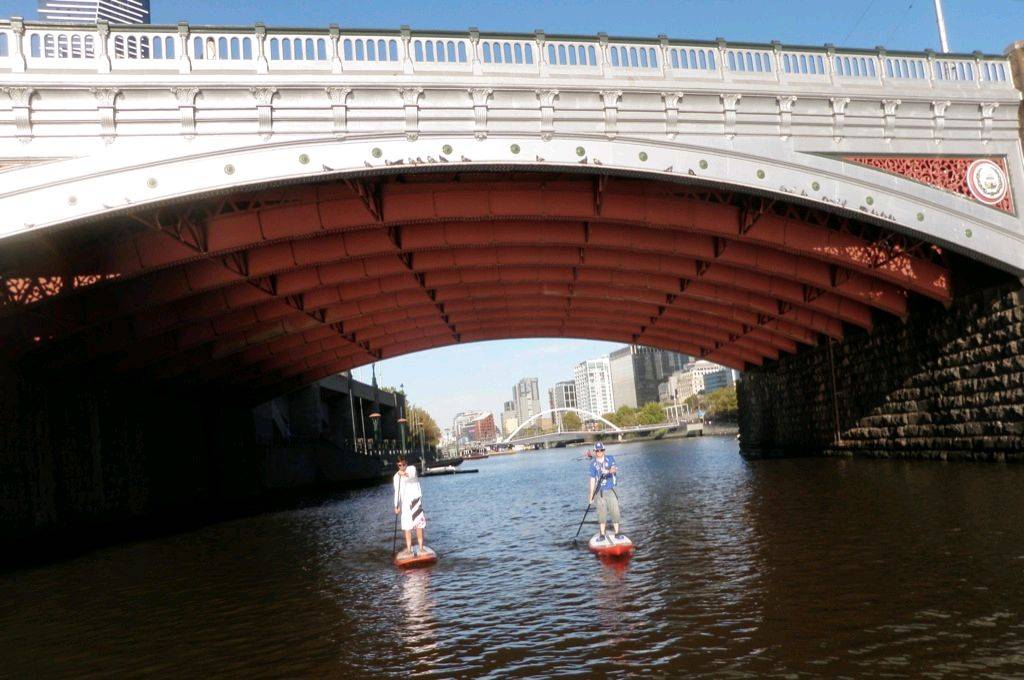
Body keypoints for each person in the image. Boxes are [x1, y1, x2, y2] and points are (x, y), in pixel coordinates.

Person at [587, 442, 621, 543]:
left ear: (604, 450)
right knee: (601, 514)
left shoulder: (610, 458)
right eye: (597, 451)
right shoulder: (593, 464)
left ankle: (617, 533)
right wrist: (591, 496)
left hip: (610, 490)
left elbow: (615, 469)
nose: (599, 452)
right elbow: (592, 480)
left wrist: (608, 471)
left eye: (601, 450)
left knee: (615, 512)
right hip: (599, 492)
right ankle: (602, 534)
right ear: (594, 451)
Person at [393, 455, 426, 555]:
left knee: (419, 525)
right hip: (405, 502)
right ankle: (409, 549)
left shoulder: (412, 469)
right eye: (400, 465)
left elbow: (410, 476)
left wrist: (403, 474)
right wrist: (396, 505)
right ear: (397, 465)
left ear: (406, 463)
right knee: (407, 526)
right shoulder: (396, 477)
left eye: (404, 464)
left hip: (415, 500)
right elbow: (397, 492)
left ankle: (421, 548)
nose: (402, 467)